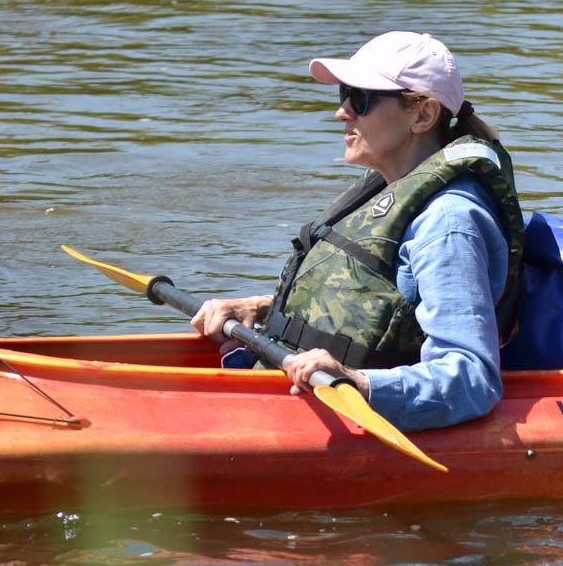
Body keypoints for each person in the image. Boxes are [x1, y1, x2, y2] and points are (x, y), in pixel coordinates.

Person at [190, 31, 527, 430]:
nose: (343, 112)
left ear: (422, 115)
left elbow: (471, 377)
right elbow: (383, 299)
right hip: (299, 384)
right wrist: (260, 308)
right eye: (344, 95)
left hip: (358, 406)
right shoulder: (391, 189)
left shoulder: (448, 223)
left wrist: (359, 383)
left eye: (361, 99)